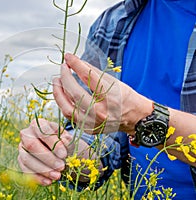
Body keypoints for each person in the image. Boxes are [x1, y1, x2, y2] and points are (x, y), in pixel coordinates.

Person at [17, 0, 196, 198]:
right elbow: (102, 142)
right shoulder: (113, 22)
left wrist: (143, 118)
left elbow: (130, 117)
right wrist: (61, 151)